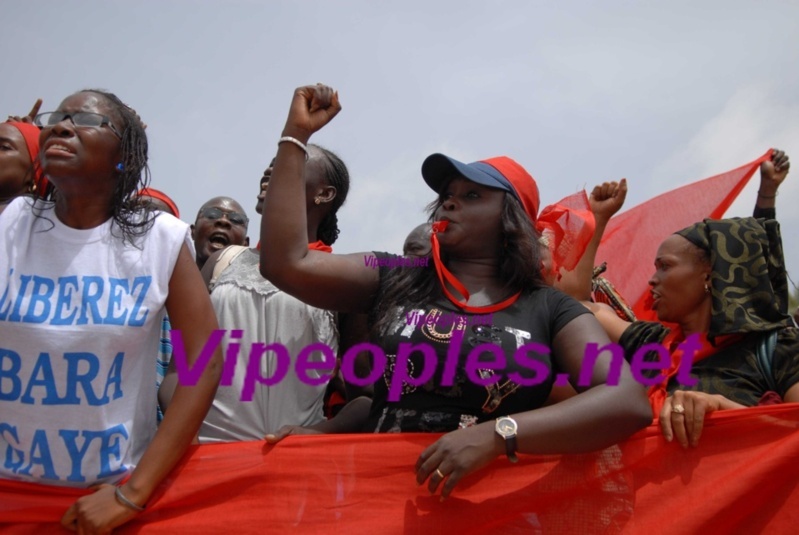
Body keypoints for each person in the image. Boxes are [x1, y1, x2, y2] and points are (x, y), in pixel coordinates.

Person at [259, 84, 651, 499]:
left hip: (495, 513)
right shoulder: (396, 276)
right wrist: (295, 138)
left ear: (511, 219)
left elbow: (626, 399)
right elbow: (287, 263)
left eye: (472, 195)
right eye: (446, 195)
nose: (448, 203)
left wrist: (500, 435)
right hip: (381, 504)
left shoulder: (549, 308)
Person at [0, 89, 222, 532]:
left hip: (107, 502)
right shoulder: (13, 221)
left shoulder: (159, 238)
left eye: (85, 119)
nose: (61, 126)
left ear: (124, 156)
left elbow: (205, 358)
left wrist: (132, 494)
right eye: (57, 117)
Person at [587, 217, 799, 448]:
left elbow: (792, 438)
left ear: (708, 275)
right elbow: (579, 307)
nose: (652, 279)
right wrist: (596, 222)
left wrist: (721, 407)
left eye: (665, 266)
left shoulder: (779, 348)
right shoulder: (653, 345)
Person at [189, 143, 353, 442]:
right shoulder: (222, 262)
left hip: (292, 465)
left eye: (291, 164)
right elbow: (183, 365)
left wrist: (312, 433)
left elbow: (365, 397)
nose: (268, 171)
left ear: (324, 194)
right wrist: (183, 435)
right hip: (206, 458)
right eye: (272, 163)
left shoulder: (343, 279)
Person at [190, 196, 249, 269]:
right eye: (212, 214)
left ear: (245, 244)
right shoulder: (171, 275)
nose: (223, 221)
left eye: (235, 219)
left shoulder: (257, 279)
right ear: (193, 231)